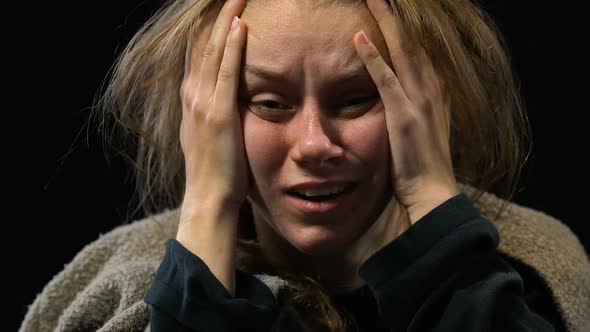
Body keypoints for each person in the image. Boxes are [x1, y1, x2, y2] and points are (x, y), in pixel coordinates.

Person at [20, 0, 590, 331]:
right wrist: (208, 206)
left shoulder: (530, 269)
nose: (315, 144)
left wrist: (430, 193)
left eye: (355, 99)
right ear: (204, 112)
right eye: (269, 103)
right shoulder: (120, 282)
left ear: (425, 101)